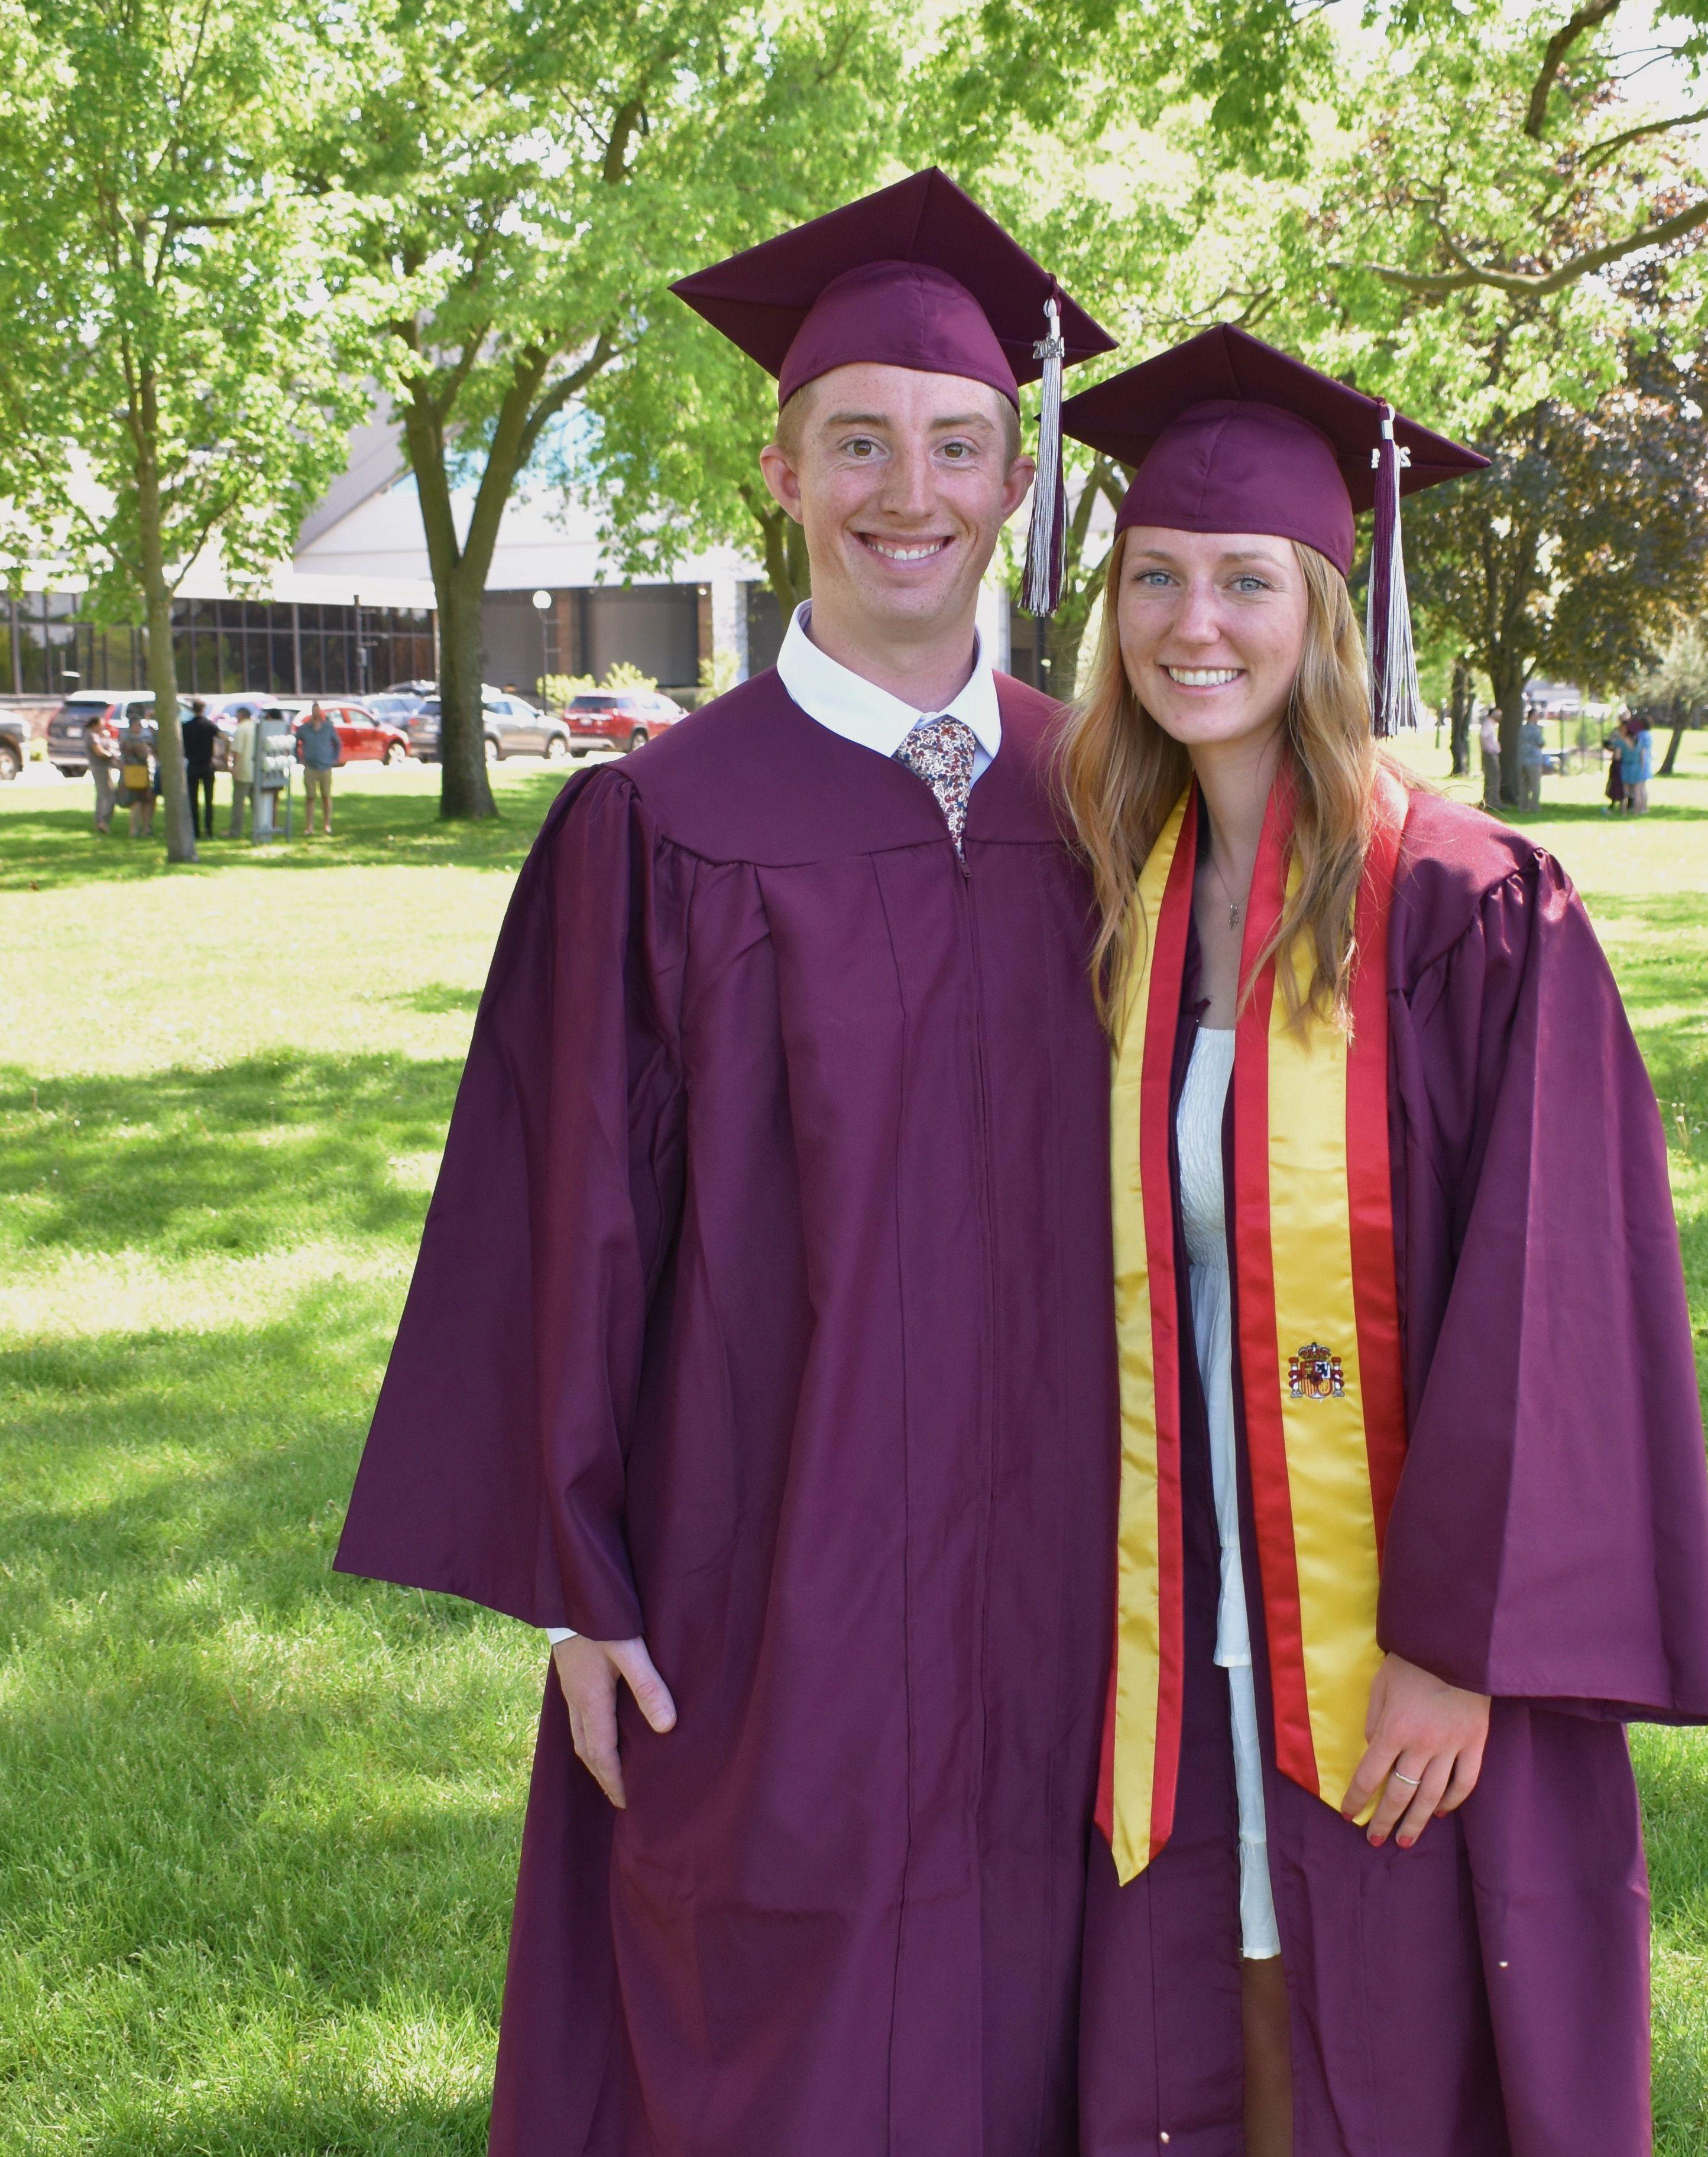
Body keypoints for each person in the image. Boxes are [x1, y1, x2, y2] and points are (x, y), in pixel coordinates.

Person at [334, 170, 1123, 2154]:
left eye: (954, 446)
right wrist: (579, 1586)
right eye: (856, 441)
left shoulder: (1108, 806)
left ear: (1012, 480)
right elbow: (562, 1216)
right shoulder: (662, 824)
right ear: (780, 469)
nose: (906, 490)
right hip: (774, 1560)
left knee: (1067, 1991)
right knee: (777, 2007)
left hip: (1071, 1567)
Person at [1056, 326, 1708, 2156]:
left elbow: (1556, 1303)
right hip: (1170, 1619)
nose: (1197, 623)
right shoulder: (1111, 904)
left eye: (1248, 580)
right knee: (1215, 2027)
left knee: (1409, 2039)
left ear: (1330, 611)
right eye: (1156, 579)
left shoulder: (1467, 910)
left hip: (1403, 1643)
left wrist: (1458, 1642)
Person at [295, 700, 341, 834]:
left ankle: (327, 825)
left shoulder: (328, 728)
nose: (316, 714)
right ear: (311, 712)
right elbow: (295, 743)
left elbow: (338, 744)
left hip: (326, 767)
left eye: (318, 711)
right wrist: (299, 759)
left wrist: (334, 759)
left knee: (326, 797)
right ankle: (309, 826)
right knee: (310, 797)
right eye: (314, 711)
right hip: (310, 767)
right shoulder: (304, 729)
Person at [182, 699, 219, 839]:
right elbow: (224, 737)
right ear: (203, 709)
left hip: (192, 765)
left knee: (193, 800)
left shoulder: (186, 726)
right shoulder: (209, 725)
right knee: (209, 800)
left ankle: (195, 831)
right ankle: (209, 831)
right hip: (207, 765)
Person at [118, 713, 155, 837]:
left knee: (142, 801)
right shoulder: (134, 741)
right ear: (132, 726)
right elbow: (143, 756)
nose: (139, 728)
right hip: (137, 773)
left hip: (129, 772)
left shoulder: (125, 739)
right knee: (138, 802)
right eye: (138, 725)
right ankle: (138, 829)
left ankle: (141, 828)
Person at [85, 712, 119, 834]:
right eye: (101, 725)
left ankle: (99, 822)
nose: (103, 727)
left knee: (101, 796)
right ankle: (103, 822)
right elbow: (99, 752)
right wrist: (112, 755)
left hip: (99, 768)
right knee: (109, 796)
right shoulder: (92, 736)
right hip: (101, 769)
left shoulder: (93, 735)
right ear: (94, 725)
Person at [228, 708, 257, 838]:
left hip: (244, 769)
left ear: (241, 715)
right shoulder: (257, 727)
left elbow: (237, 751)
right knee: (256, 803)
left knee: (239, 803)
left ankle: (236, 830)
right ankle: (259, 828)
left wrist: (235, 768)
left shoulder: (241, 729)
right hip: (257, 771)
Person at [1620, 711, 1654, 814]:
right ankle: (1644, 807)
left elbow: (1640, 750)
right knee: (1643, 787)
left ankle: (1640, 808)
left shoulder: (1640, 736)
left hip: (1639, 762)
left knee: (1639, 789)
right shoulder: (1649, 735)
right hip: (1646, 761)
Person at [1518, 708, 1545, 810]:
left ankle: (1523, 807)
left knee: (1524, 785)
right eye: (1537, 716)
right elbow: (1540, 742)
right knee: (1535, 785)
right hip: (1534, 760)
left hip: (1522, 759)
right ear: (1532, 717)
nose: (1538, 718)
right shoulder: (1535, 729)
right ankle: (1535, 807)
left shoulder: (1522, 729)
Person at [1477, 705, 1500, 808]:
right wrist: (1489, 747)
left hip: (1492, 754)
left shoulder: (1491, 724)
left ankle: (1492, 801)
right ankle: (1491, 802)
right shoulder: (1488, 724)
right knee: (1493, 778)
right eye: (1499, 715)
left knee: (1494, 778)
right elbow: (1483, 736)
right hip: (1490, 754)